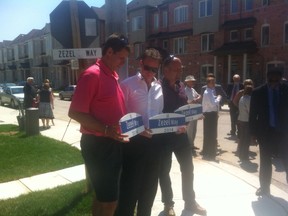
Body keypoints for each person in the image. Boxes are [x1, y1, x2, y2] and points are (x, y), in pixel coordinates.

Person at [68, 33, 130, 216]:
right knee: (110, 202)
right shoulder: (92, 75)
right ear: (109, 52)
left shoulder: (112, 75)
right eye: (121, 58)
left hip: (111, 142)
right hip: (99, 145)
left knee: (102, 197)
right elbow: (75, 112)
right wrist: (105, 130)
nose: (123, 62)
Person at [115, 48, 163, 216]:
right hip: (133, 144)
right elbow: (119, 117)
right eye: (147, 68)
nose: (150, 73)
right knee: (129, 193)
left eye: (154, 69)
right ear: (141, 64)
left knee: (149, 192)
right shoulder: (127, 85)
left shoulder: (158, 87)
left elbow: (159, 115)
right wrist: (138, 130)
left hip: (154, 145)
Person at [158, 56, 206, 216]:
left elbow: (183, 109)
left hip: (181, 137)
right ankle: (168, 204)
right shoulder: (157, 88)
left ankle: (190, 202)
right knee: (164, 171)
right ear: (166, 70)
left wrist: (193, 115)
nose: (179, 72)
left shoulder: (181, 86)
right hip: (164, 139)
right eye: (176, 69)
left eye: (180, 69)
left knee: (188, 169)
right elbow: (155, 113)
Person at [249, 68, 288, 196]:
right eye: (272, 80)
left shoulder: (286, 90)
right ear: (267, 79)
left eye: (277, 80)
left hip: (284, 133)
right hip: (266, 133)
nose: (274, 83)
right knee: (265, 161)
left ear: (281, 79)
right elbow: (253, 115)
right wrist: (253, 134)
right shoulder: (258, 92)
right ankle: (264, 188)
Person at [201, 76, 222, 160]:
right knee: (211, 134)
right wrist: (219, 98)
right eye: (212, 82)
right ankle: (210, 152)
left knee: (209, 134)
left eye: (214, 82)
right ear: (208, 83)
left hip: (211, 114)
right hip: (209, 115)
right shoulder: (207, 92)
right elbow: (213, 104)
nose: (214, 84)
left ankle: (208, 151)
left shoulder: (210, 91)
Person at [184, 75, 201, 156]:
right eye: (191, 81)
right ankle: (188, 145)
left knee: (194, 129)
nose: (193, 82)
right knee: (190, 129)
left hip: (195, 111)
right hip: (189, 112)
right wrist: (193, 101)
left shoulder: (193, 89)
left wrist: (197, 98)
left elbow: (199, 95)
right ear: (187, 82)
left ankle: (192, 144)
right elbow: (187, 101)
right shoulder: (185, 90)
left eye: (193, 81)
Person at [237, 84, 253, 161]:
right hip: (247, 121)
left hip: (240, 119)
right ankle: (244, 156)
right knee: (246, 140)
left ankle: (240, 154)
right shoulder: (249, 99)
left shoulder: (242, 98)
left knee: (242, 138)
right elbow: (250, 111)